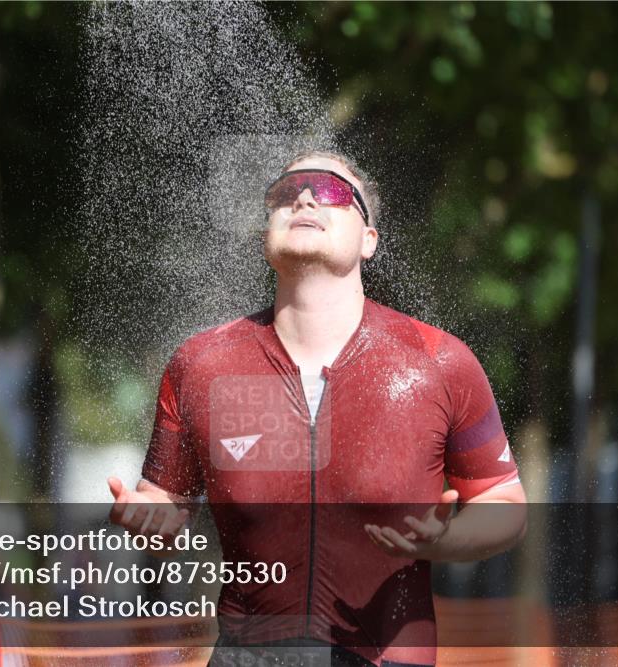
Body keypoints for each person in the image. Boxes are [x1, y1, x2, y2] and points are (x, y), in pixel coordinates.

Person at [108, 150, 528, 667]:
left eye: (330, 190)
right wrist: (155, 521)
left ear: (369, 239)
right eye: (286, 193)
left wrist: (449, 541)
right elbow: (167, 503)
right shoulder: (202, 364)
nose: (304, 196)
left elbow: (505, 504)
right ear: (266, 236)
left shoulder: (438, 361)